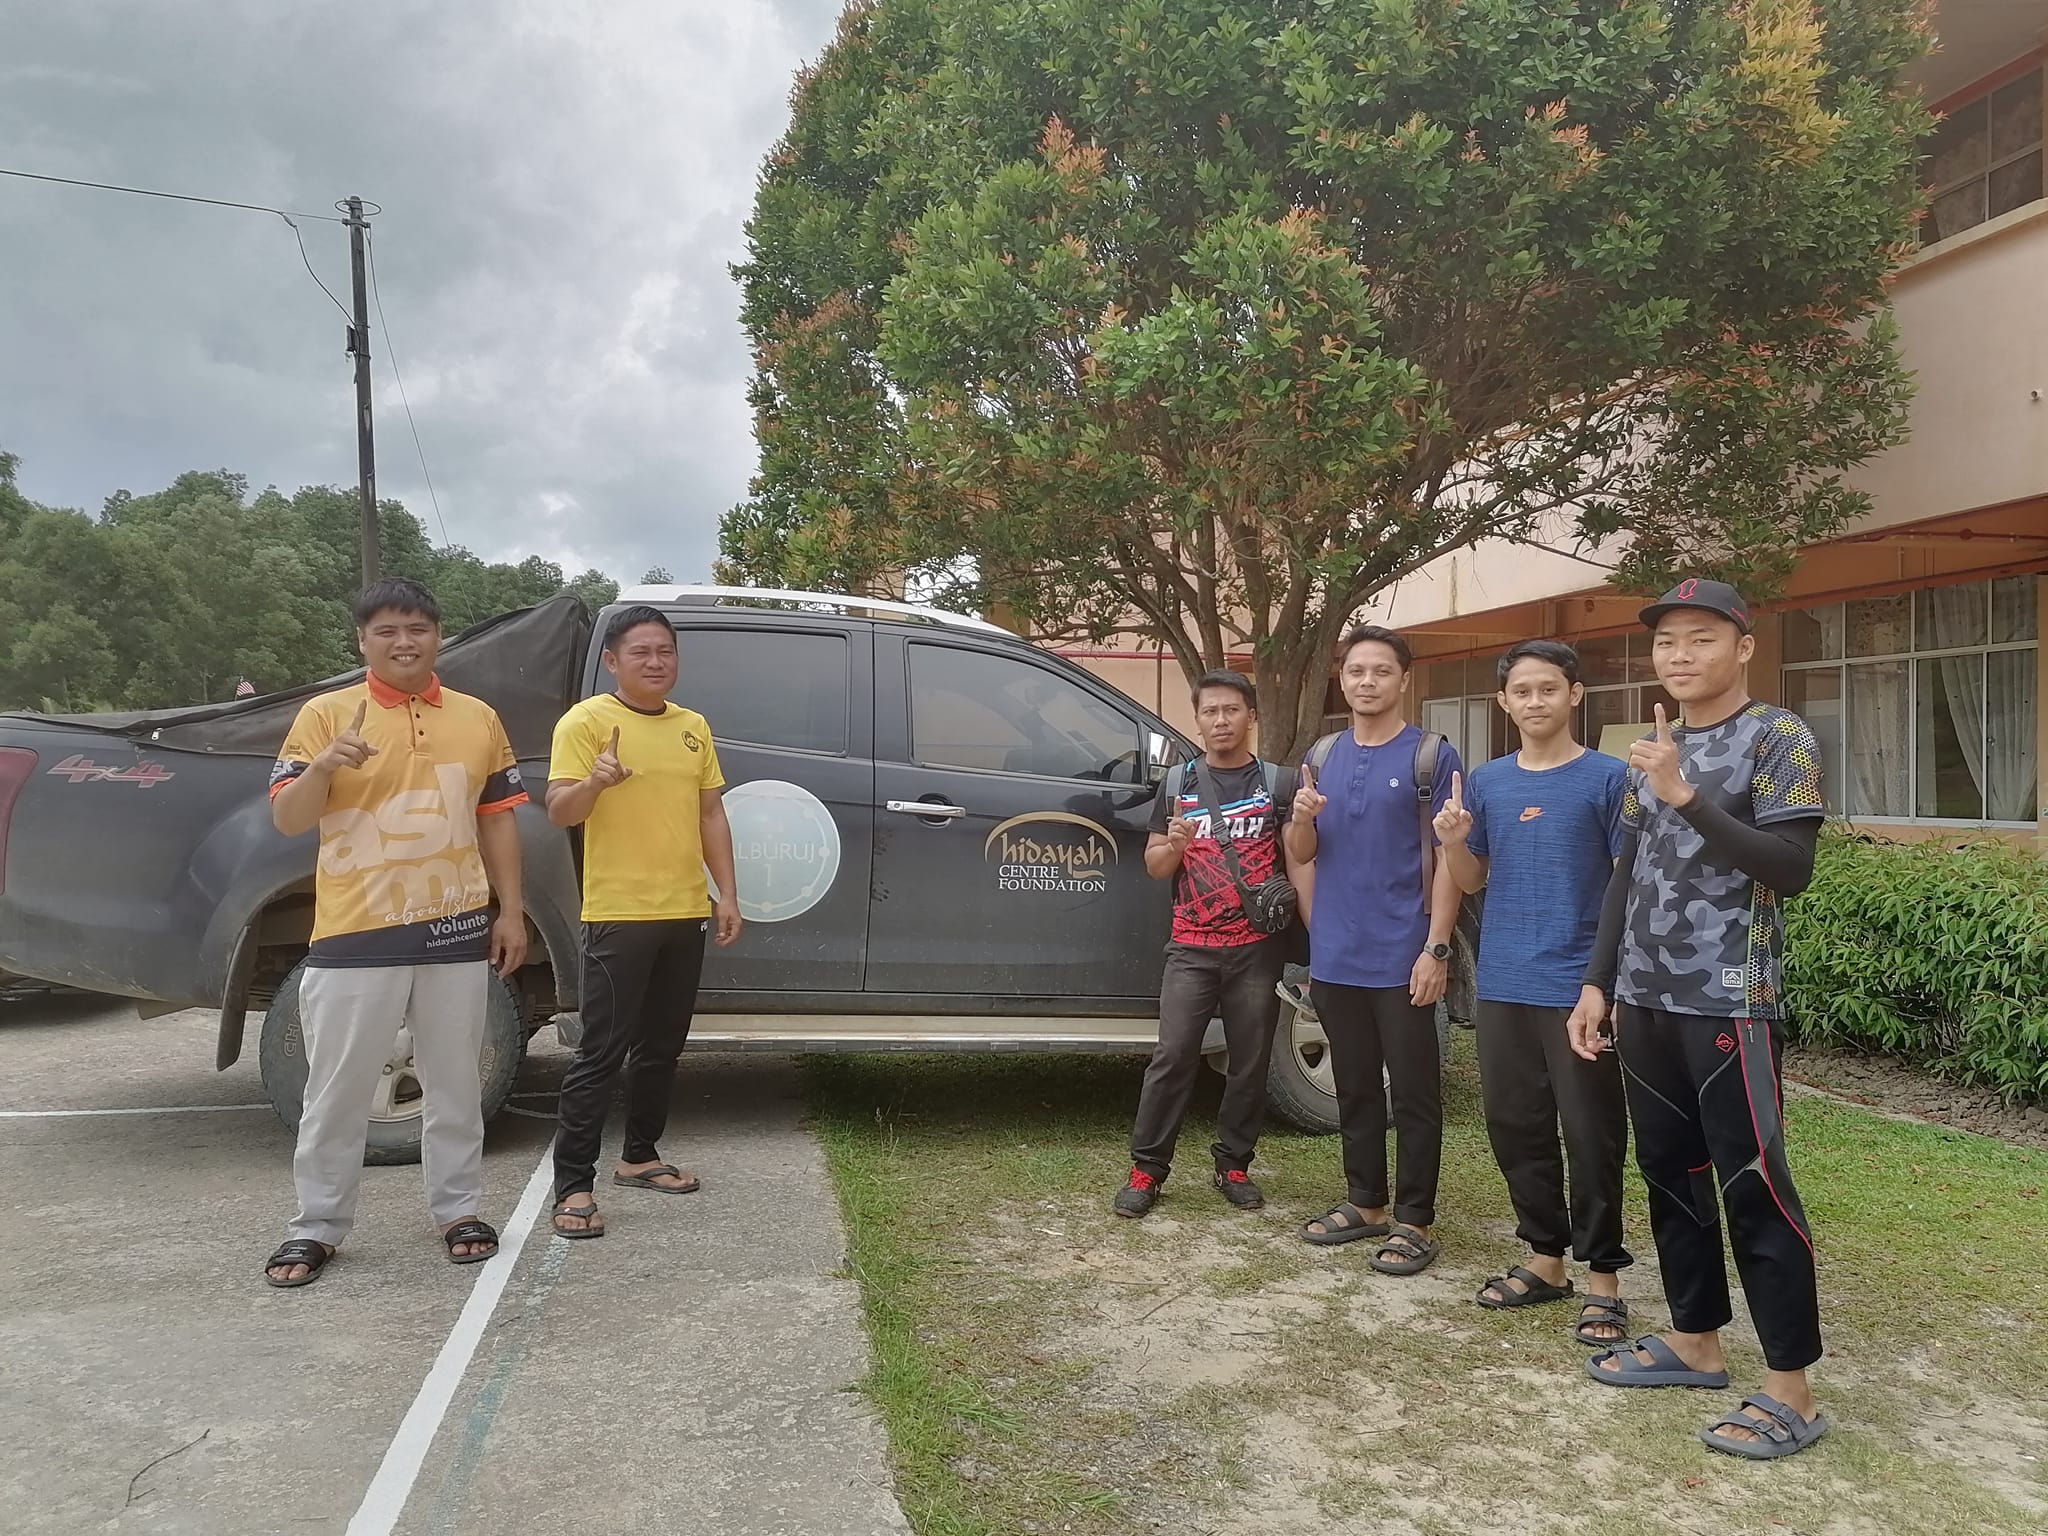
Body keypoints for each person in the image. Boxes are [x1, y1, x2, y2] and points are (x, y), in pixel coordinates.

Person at [1568, 578, 1831, 1460]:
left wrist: (1685, 794)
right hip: (1643, 999)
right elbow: (1627, 872)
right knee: (1670, 1174)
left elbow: (1789, 867)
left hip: (1730, 999)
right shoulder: (1652, 748)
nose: (1680, 655)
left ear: (1744, 647)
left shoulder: (1780, 736)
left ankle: (1791, 1389)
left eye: (1701, 638)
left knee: (1752, 1183)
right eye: (1667, 641)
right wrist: (1598, 982)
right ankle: (1694, 1341)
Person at [262, 578, 529, 1288]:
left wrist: (509, 910)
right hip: (355, 935)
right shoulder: (325, 715)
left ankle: (459, 1210)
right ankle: (317, 1226)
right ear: (362, 641)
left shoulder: (478, 717)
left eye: (417, 628)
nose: (403, 642)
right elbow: (288, 819)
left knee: (455, 1085)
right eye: (386, 631)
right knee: (336, 1092)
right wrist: (323, 766)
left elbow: (498, 819)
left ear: (438, 636)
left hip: (455, 930)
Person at [1435, 640, 1632, 1344]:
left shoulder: (1609, 779)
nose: (1536, 701)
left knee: (1591, 1132)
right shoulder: (1487, 782)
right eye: (1522, 691)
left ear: (1575, 694)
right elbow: (1472, 879)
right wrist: (1454, 842)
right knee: (1514, 1124)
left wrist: (1602, 983)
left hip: (1579, 989)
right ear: (1504, 702)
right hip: (1505, 982)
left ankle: (1604, 1278)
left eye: (1549, 688)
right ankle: (1546, 1258)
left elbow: (1627, 887)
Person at [544, 605, 742, 1239]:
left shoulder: (693, 727)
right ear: (612, 661)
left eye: (666, 651)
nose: (656, 663)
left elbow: (710, 814)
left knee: (662, 1047)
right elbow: (559, 811)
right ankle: (574, 1188)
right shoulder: (585, 722)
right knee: (601, 1051)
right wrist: (595, 782)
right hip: (618, 913)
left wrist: (726, 893)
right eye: (641, 652)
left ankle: (640, 1155)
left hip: (684, 909)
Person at [1283, 624, 1461, 1275]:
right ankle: (1366, 1203)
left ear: (1403, 680)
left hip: (1404, 951)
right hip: (1337, 953)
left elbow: (1450, 858)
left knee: (1413, 1093)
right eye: (1356, 670)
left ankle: (1415, 1220)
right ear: (1342, 677)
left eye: (1381, 671)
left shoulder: (1432, 757)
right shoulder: (1322, 753)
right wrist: (1301, 817)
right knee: (1354, 1086)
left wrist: (1436, 948)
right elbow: (1302, 852)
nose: (1367, 681)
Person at [1115, 671, 1294, 1218]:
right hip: (1190, 947)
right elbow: (1154, 866)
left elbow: (1300, 856)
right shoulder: (1178, 783)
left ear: (1251, 716)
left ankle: (1233, 1164)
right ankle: (1147, 1170)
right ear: (1197, 720)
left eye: (1232, 710)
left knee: (1250, 1060)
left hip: (1256, 947)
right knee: (1173, 1056)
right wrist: (1173, 845)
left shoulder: (1277, 784)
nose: (1221, 721)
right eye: (1210, 711)